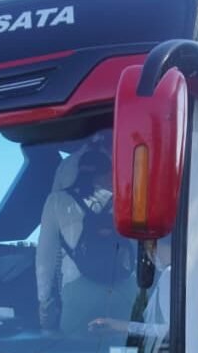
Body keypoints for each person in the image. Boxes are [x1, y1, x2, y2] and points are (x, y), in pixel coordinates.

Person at [36, 136, 136, 334]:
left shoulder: (57, 201)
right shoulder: (126, 200)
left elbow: (44, 258)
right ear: (109, 172)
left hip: (77, 288)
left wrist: (44, 300)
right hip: (123, 286)